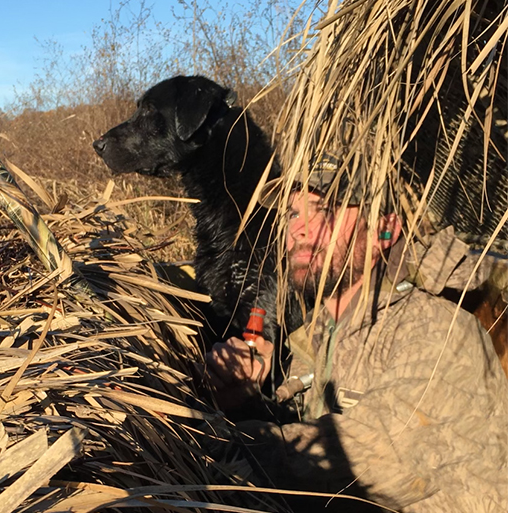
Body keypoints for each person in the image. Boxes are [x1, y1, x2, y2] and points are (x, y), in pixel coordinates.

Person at [206, 160, 508, 512]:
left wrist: (213, 444)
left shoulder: (436, 331)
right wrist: (244, 400)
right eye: (291, 213)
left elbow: (374, 460)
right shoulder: (313, 336)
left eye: (324, 208)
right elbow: (305, 445)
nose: (298, 229)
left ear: (385, 229)